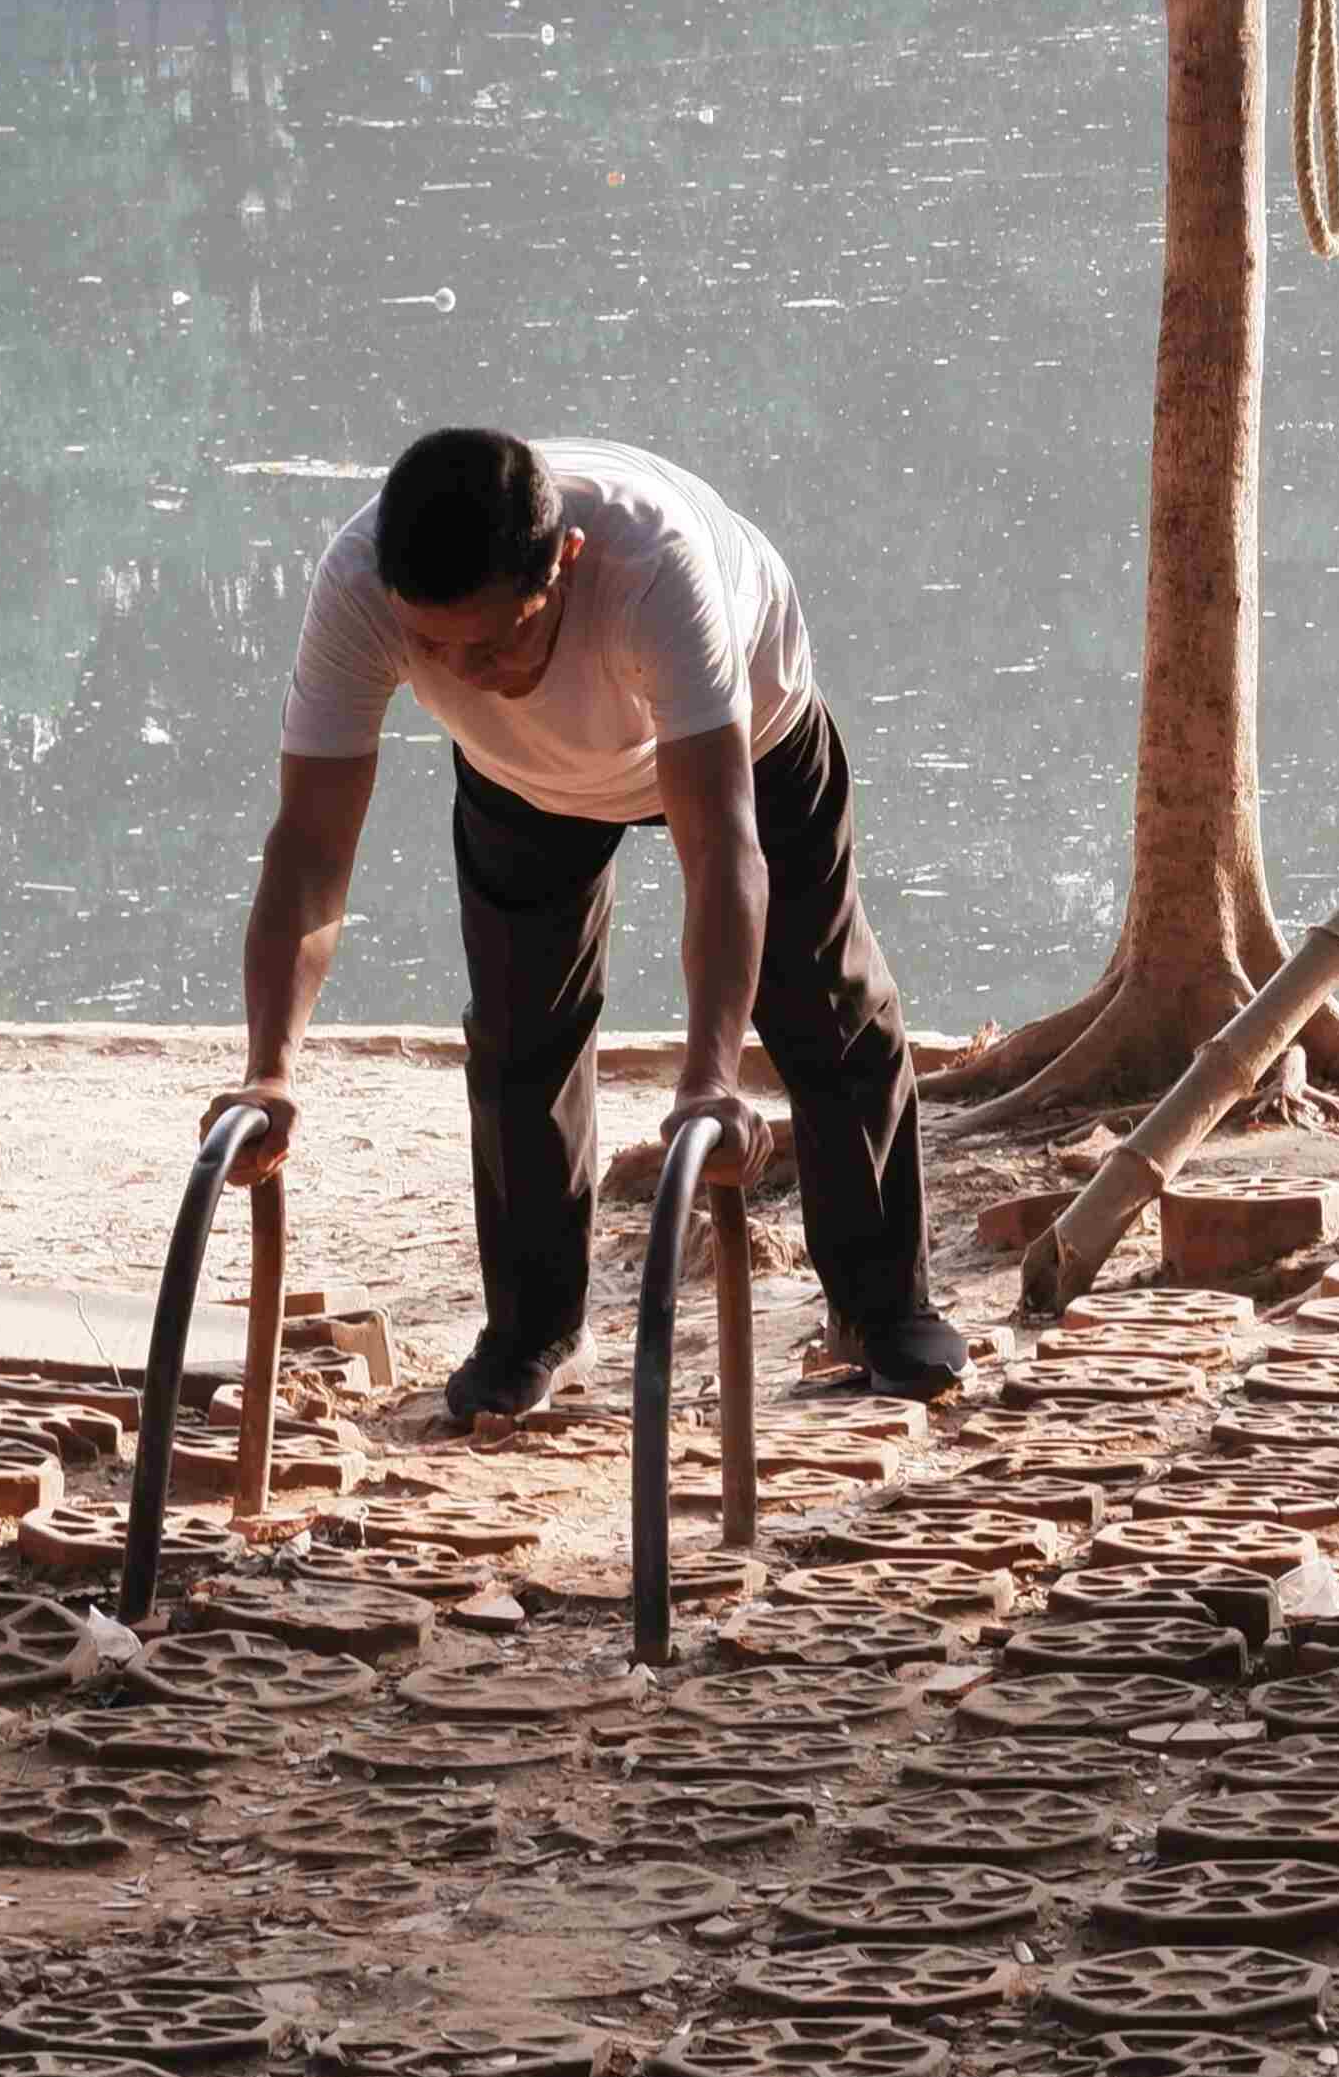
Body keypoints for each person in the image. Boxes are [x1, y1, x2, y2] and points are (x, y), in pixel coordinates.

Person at [217, 429, 964, 1420]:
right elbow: (310, 849)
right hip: (522, 778)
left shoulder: (653, 567)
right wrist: (271, 1066)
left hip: (752, 742)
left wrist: (708, 1078)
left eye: (494, 640)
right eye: (432, 648)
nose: (464, 669)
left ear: (564, 560)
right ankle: (534, 1332)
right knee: (522, 1032)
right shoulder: (357, 583)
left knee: (822, 1004)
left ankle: (882, 1309)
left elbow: (722, 849)